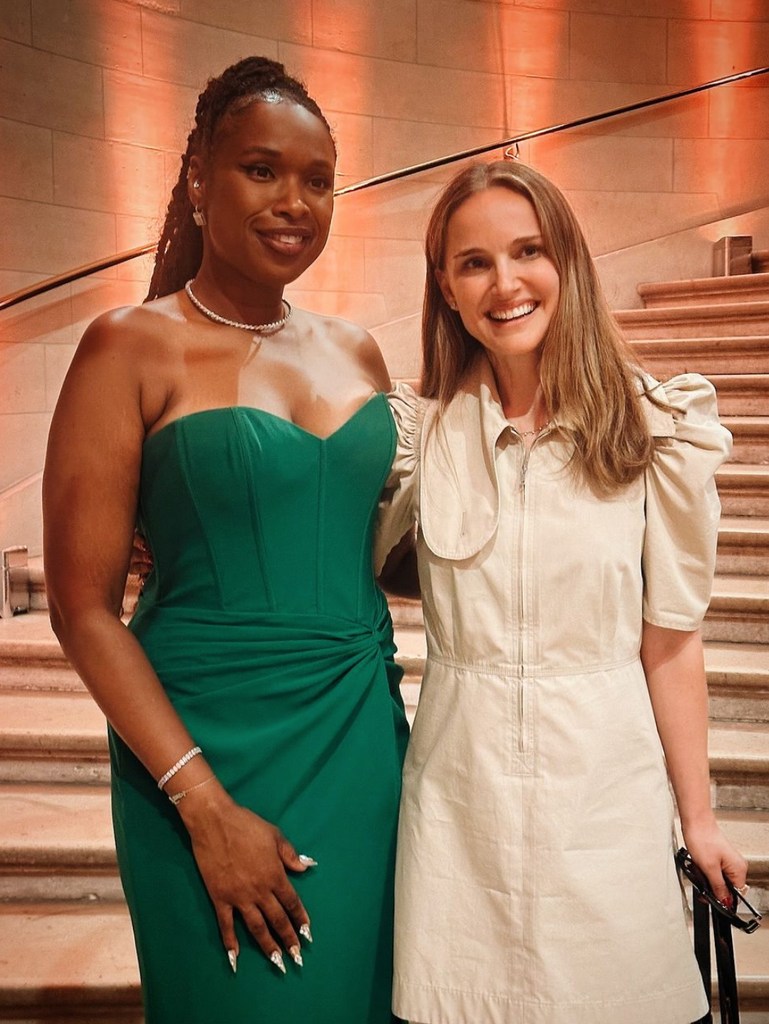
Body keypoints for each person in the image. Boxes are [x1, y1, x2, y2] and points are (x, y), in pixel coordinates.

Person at [43, 56, 408, 1024]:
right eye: (262, 169)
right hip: (203, 749)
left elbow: (380, 547)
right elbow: (82, 610)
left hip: (362, 738)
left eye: (318, 179)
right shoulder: (128, 345)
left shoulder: (358, 349)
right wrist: (203, 804)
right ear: (199, 180)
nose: (295, 201)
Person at [373, 159, 748, 1024]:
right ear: (445, 285)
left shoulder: (656, 431)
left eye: (527, 251)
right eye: (473, 262)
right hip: (458, 813)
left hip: (605, 803)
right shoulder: (415, 438)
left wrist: (698, 819)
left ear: (567, 261)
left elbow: (670, 641)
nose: (504, 283)